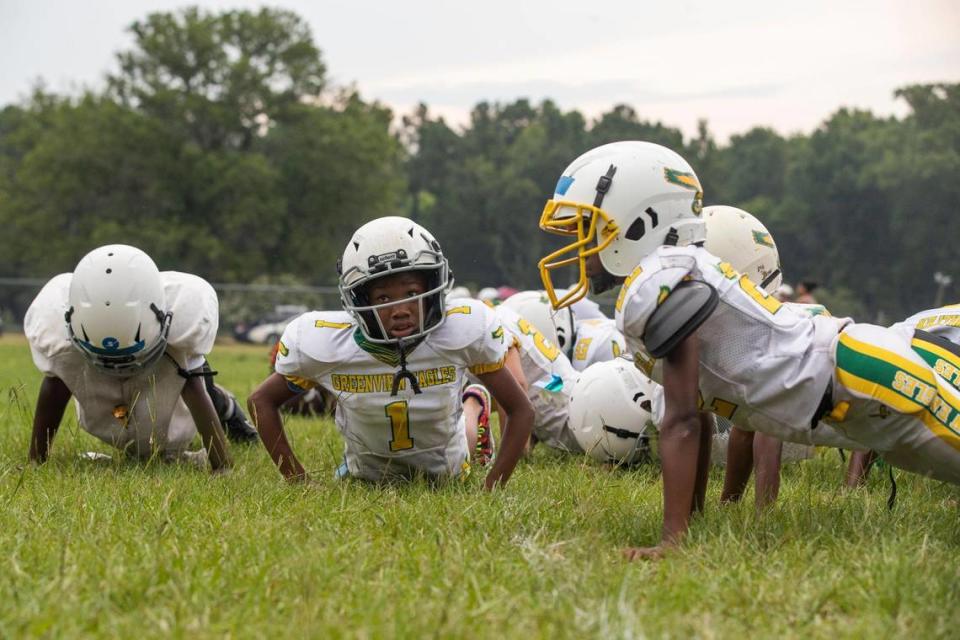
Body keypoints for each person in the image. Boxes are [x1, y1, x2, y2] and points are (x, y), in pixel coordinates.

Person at [537, 141, 960, 559]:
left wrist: (671, 541)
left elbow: (683, 420)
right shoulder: (666, 275)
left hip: (859, 376)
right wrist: (691, 520)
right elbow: (696, 419)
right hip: (848, 400)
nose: (577, 246)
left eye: (586, 228)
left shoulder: (659, 280)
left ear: (640, 221)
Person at [247, 217, 533, 488]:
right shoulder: (328, 344)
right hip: (366, 473)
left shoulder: (461, 332)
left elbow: (522, 410)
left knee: (461, 437)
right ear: (358, 298)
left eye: (411, 293)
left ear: (433, 287)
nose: (399, 310)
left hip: (448, 468)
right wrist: (299, 482)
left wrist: (491, 488)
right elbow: (261, 401)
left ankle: (474, 406)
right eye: (383, 298)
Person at [25, 244, 256, 473]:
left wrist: (222, 466)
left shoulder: (181, 326)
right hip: (95, 369)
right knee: (138, 441)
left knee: (186, 407)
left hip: (169, 369)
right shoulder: (57, 332)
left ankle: (225, 406)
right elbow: (55, 387)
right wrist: (37, 459)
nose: (119, 367)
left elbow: (194, 388)